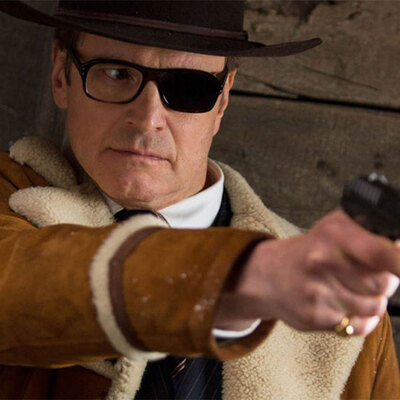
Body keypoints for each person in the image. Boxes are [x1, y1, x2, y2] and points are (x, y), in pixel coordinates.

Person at [0, 1, 399, 399]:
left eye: (189, 86)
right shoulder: (10, 201)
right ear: (60, 73)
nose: (148, 119)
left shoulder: (347, 310)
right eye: (116, 73)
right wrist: (243, 276)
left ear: (223, 99)